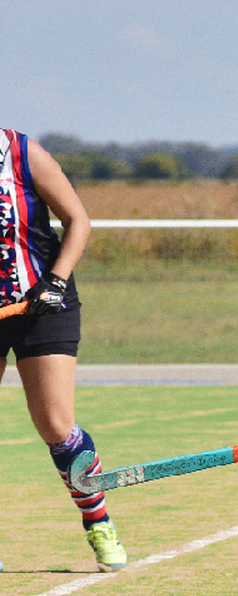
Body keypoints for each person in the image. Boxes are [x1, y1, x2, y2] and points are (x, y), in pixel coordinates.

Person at [0, 129, 128, 572]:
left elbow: (79, 220)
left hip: (44, 305)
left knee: (56, 423)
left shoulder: (22, 153)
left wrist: (54, 281)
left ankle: (98, 522)